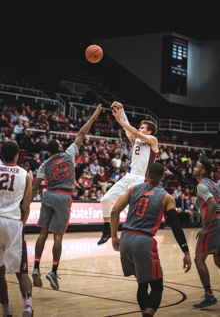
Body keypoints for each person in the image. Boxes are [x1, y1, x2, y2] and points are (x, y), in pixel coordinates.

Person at [31, 104, 102, 291]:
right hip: (63, 198)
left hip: (48, 196)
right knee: (58, 238)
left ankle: (36, 267)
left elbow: (36, 185)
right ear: (60, 147)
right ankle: (53, 270)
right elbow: (81, 133)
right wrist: (94, 116)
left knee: (42, 234)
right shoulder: (69, 154)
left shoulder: (44, 164)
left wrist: (26, 203)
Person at [110, 162, 191, 317]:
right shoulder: (167, 197)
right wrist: (186, 251)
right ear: (163, 176)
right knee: (157, 287)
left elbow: (114, 211)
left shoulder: (133, 189)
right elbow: (176, 226)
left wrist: (114, 236)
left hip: (126, 238)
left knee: (142, 284)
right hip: (144, 241)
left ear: (147, 173)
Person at [97, 101, 159, 245]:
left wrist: (120, 121)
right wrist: (122, 111)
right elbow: (130, 132)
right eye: (140, 126)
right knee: (105, 200)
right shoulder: (136, 141)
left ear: (148, 131)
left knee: (133, 209)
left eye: (142, 127)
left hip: (141, 179)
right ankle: (107, 228)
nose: (139, 128)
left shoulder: (153, 141)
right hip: (130, 176)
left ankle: (137, 233)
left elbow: (134, 132)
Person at [0, 141, 33, 317]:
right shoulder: (26, 175)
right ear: (17, 155)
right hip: (13, 222)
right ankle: (27, 305)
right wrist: (22, 224)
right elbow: (26, 207)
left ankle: (6, 310)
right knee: (22, 271)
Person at [192, 158, 220, 309]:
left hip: (214, 221)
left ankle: (209, 296)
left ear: (203, 171)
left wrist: (204, 228)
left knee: (199, 259)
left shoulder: (202, 185)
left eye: (197, 166)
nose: (194, 168)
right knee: (218, 260)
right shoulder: (214, 184)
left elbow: (213, 205)